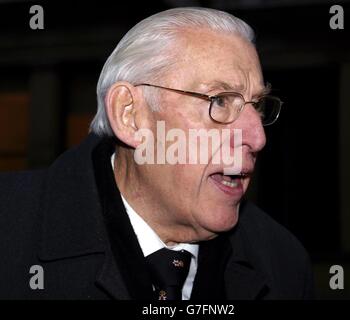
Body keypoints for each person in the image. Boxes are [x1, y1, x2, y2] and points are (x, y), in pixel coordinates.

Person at [0, 7, 314, 300]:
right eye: (220, 100)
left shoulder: (283, 263)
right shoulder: (10, 230)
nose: (257, 137)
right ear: (130, 115)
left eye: (257, 105)